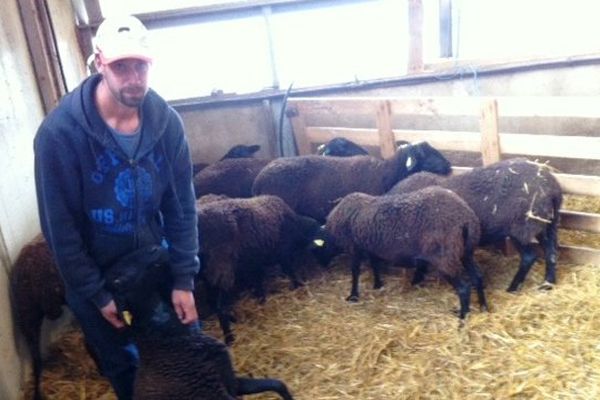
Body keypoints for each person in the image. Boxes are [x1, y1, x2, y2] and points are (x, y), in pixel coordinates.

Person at [33, 15, 200, 399]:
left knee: (186, 352)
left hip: (153, 265)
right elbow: (60, 229)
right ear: (99, 63)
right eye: (121, 66)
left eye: (140, 65)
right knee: (125, 368)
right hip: (99, 277)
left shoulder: (167, 125)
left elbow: (181, 206)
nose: (133, 77)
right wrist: (96, 294)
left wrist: (183, 278)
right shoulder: (59, 135)